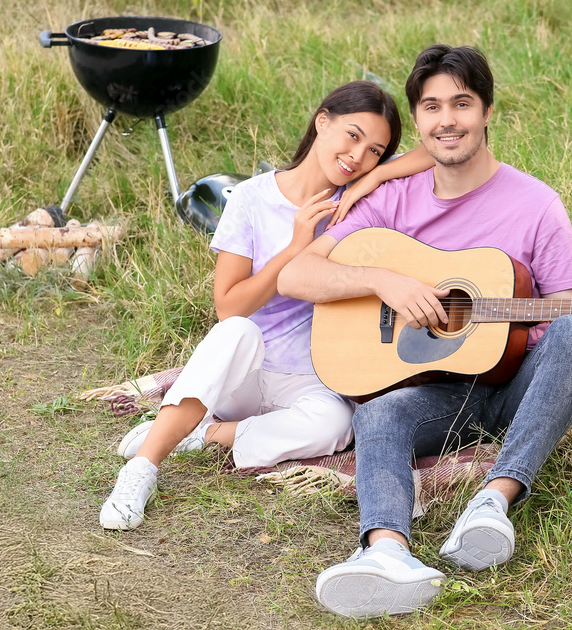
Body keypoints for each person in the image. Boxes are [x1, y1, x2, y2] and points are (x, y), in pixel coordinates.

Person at [277, 45, 572, 618]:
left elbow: (567, 317)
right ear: (419, 121)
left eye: (462, 103)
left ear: (486, 112)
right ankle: (386, 556)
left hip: (516, 385)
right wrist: (386, 281)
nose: (446, 119)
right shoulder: (391, 198)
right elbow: (298, 273)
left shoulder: (536, 204)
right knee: (375, 414)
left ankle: (493, 502)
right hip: (439, 392)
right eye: (431, 107)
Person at [99, 80, 417, 531]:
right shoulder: (251, 198)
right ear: (322, 121)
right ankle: (143, 468)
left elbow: (433, 153)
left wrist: (381, 175)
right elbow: (229, 307)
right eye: (353, 135)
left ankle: (204, 434)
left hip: (308, 377)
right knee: (235, 333)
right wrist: (294, 249)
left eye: (375, 150)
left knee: (338, 425)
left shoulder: (357, 200)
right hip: (245, 369)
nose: (358, 156)